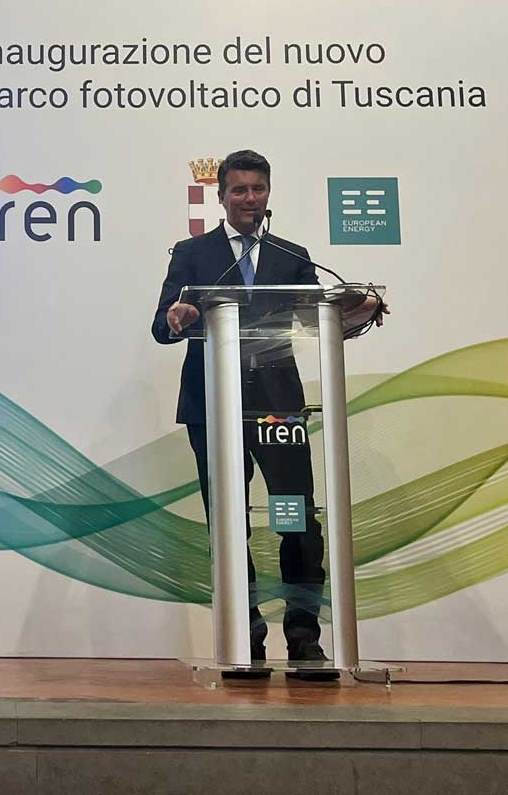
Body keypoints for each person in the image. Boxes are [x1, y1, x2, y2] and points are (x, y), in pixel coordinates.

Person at [151, 149, 382, 665]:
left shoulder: (290, 254)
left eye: (258, 189)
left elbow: (317, 318)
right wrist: (179, 316)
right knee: (229, 522)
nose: (249, 199)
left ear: (268, 193)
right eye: (239, 190)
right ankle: (245, 638)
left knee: (297, 518)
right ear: (221, 196)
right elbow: (162, 326)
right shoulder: (192, 253)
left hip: (279, 407)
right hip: (213, 405)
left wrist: (356, 311)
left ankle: (304, 637)